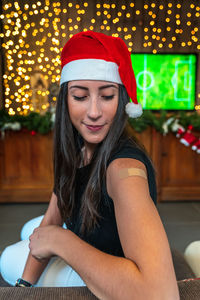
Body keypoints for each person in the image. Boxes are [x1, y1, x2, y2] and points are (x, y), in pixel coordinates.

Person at [0, 31, 180, 299]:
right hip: (84, 235)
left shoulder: (124, 171)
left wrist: (62, 241)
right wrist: (24, 286)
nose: (94, 112)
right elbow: (53, 215)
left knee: (7, 257)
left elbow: (161, 294)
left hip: (114, 271)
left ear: (121, 102)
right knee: (32, 230)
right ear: (65, 100)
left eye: (107, 96)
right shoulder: (74, 146)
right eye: (80, 96)